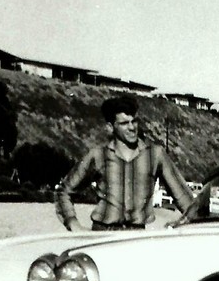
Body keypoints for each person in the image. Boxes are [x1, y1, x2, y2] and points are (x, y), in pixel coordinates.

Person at [55, 96, 194, 231]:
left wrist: (191, 222)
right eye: (124, 123)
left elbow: (184, 197)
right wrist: (73, 224)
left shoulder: (155, 155)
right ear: (110, 127)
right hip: (103, 233)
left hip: (136, 236)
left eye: (134, 121)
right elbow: (63, 191)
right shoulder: (98, 155)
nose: (132, 127)